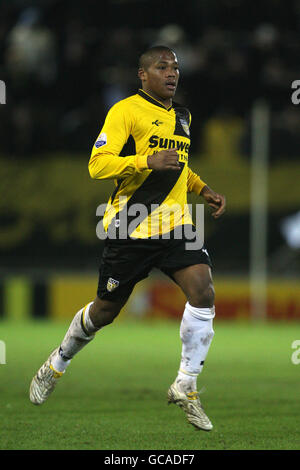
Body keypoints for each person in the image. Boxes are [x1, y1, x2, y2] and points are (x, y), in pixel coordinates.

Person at [29, 45, 226, 431]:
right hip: (131, 225)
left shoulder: (183, 115)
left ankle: (186, 384)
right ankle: (57, 362)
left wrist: (202, 188)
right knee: (104, 311)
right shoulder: (125, 111)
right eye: (161, 67)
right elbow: (97, 165)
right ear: (143, 74)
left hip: (177, 224)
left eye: (175, 67)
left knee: (203, 292)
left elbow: (179, 166)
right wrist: (144, 160)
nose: (171, 73)